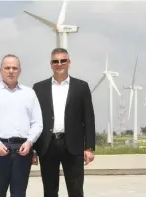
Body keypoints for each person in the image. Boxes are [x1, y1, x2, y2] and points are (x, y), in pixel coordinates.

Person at [32, 48, 96, 197]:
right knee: (49, 190)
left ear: (69, 62)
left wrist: (89, 147)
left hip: (73, 146)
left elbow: (89, 118)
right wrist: (34, 149)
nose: (59, 64)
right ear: (51, 64)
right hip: (48, 146)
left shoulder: (81, 87)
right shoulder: (39, 88)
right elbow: (34, 120)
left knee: (76, 190)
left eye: (63, 60)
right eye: (55, 61)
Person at [0, 54, 43, 197]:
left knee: (19, 193)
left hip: (22, 150)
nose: (11, 71)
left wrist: (29, 142)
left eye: (14, 68)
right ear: (0, 70)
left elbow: (37, 123)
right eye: (7, 68)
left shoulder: (29, 93)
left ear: (20, 71)